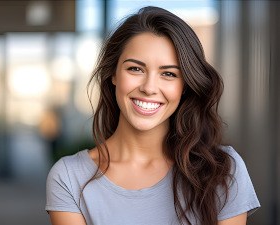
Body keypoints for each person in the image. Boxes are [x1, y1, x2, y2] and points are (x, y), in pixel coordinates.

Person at [45, 6, 260, 225]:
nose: (149, 88)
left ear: (184, 86)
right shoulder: (69, 177)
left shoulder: (222, 169)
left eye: (169, 74)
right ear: (113, 74)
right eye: (135, 69)